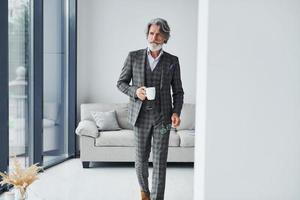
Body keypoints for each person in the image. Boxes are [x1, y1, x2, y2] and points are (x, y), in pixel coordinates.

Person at [117, 18, 184, 200]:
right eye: (151, 33)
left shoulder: (172, 61)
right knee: (140, 161)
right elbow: (121, 83)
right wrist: (134, 91)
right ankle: (144, 192)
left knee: (160, 162)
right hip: (140, 117)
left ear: (165, 38)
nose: (154, 37)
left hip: (163, 119)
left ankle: (157, 198)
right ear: (147, 35)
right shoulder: (134, 56)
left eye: (159, 34)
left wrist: (176, 112)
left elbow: (178, 91)